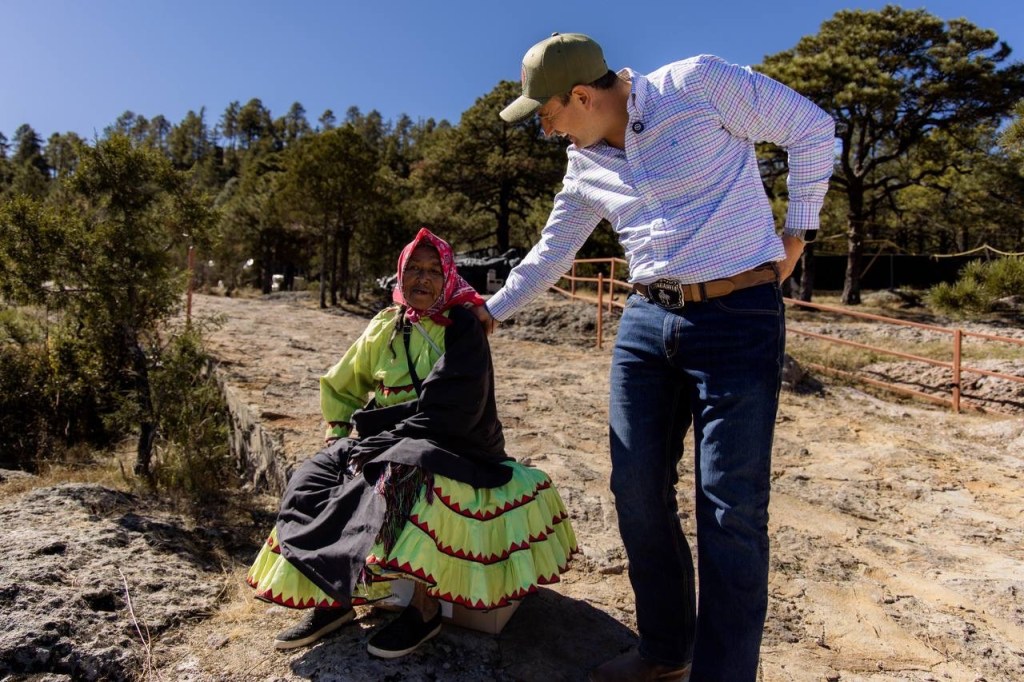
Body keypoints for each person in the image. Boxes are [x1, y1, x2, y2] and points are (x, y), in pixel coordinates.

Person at [485, 33, 834, 682]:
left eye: (547, 114)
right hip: (646, 322)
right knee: (636, 490)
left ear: (581, 96)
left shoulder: (697, 85)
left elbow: (811, 128)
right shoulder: (584, 165)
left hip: (739, 319)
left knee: (730, 507)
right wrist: (489, 312)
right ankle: (666, 650)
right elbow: (552, 251)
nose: (547, 129)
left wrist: (797, 233)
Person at [247, 227, 577, 658]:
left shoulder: (462, 325)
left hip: (454, 442)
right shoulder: (385, 325)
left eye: (433, 271)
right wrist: (338, 434)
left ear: (448, 277)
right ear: (400, 275)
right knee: (316, 476)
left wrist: (382, 439)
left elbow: (455, 410)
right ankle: (333, 596)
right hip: (386, 439)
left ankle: (424, 609)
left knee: (404, 474)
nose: (422, 278)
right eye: (413, 269)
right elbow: (343, 385)